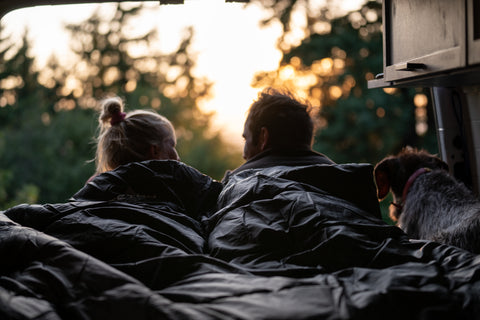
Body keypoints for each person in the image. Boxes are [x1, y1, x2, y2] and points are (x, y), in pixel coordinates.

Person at [226, 87, 335, 178]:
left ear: (263, 137)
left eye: (245, 139)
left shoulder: (235, 184)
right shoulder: (344, 180)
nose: (244, 155)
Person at [93, 96, 179, 176]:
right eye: (172, 145)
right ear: (155, 151)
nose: (178, 158)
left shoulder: (97, 186)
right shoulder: (170, 188)